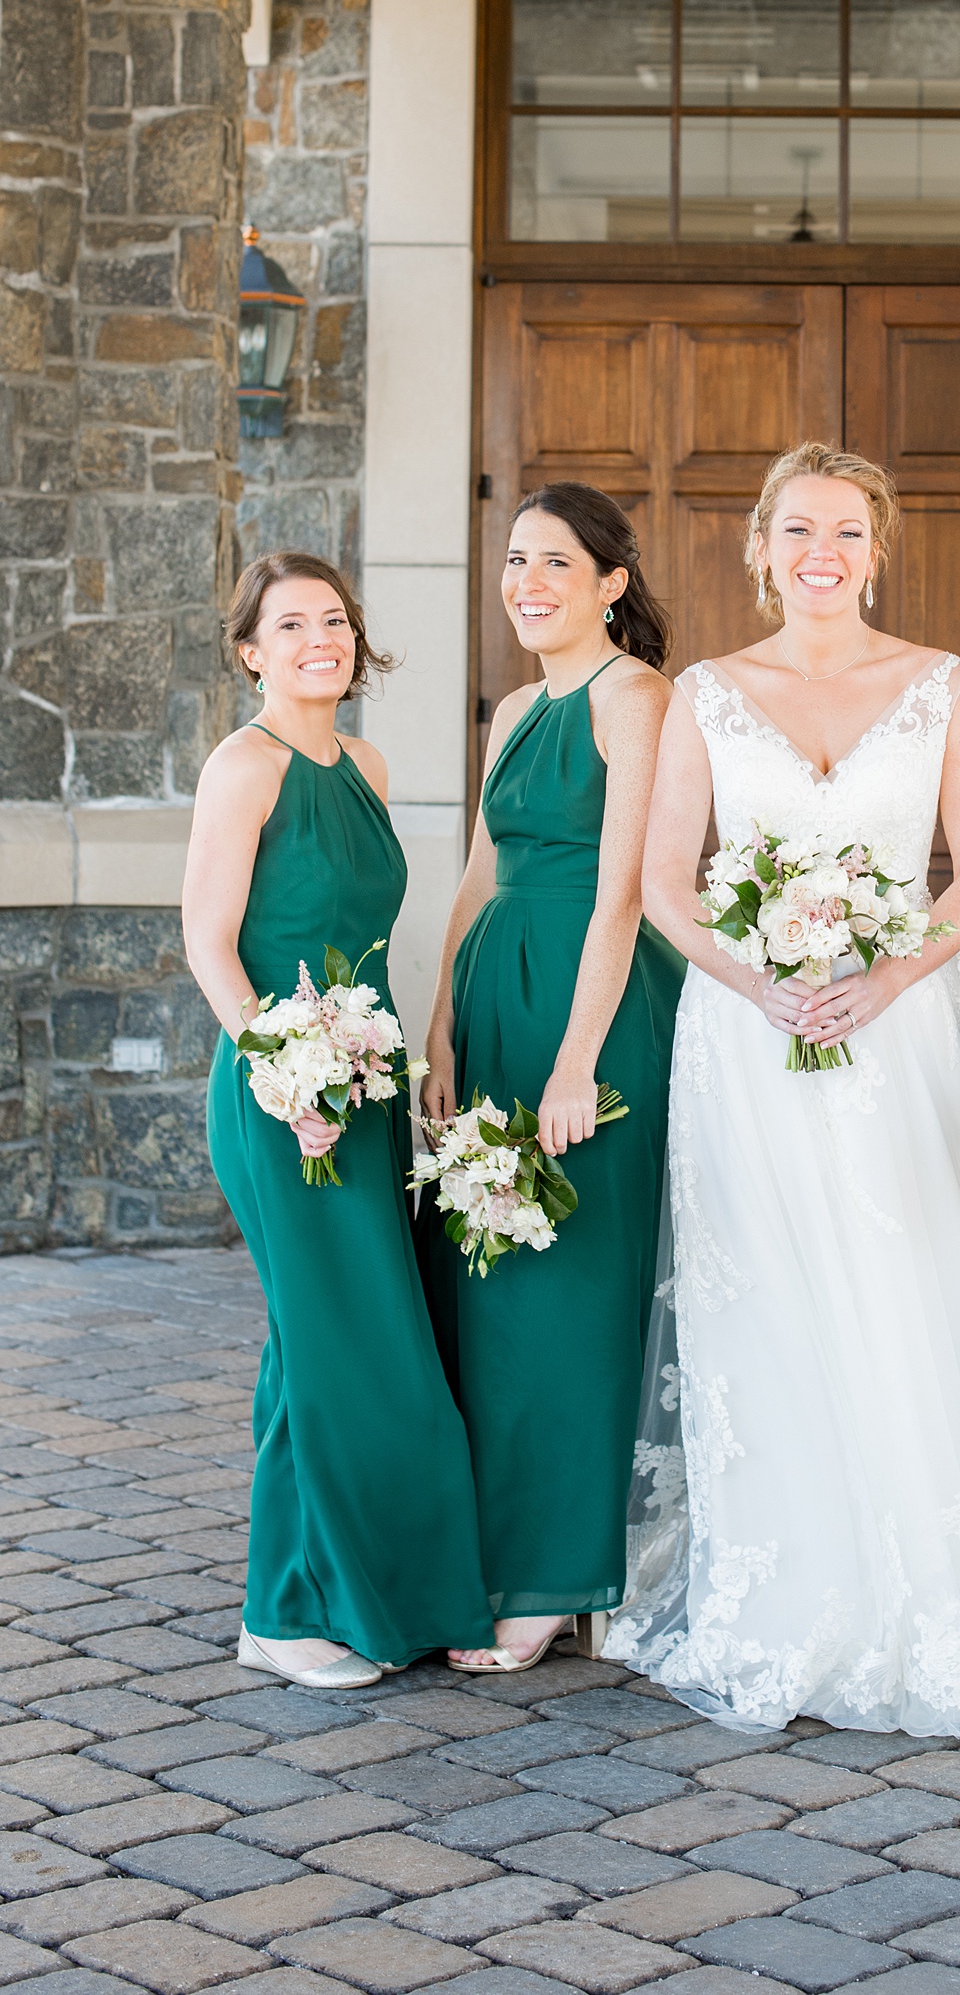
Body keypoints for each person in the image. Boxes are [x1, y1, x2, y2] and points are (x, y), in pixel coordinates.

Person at [606, 440, 960, 1737]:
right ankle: (784, 1598)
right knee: (761, 1295)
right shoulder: (705, 693)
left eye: (849, 533)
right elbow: (665, 886)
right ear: (760, 547)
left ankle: (922, 1598)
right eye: (800, 529)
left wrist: (893, 974)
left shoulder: (940, 684)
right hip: (746, 1036)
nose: (824, 553)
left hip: (900, 1027)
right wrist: (760, 984)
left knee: (905, 1290)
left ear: (878, 550)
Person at [182, 553, 493, 1686]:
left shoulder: (362, 760)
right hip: (280, 1099)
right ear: (252, 649)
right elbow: (209, 944)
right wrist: (284, 1071)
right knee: (330, 1345)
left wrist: (377, 1069)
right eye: (292, 623)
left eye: (336, 620)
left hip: (362, 1092)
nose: (323, 637)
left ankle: (355, 1592)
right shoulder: (243, 766)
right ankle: (284, 1608)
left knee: (352, 1342)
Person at [420, 485, 682, 1675]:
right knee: (495, 1277)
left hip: (594, 1001)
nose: (529, 582)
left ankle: (565, 1573)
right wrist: (437, 1024)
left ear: (611, 582)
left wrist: (579, 1057)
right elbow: (478, 872)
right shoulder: (516, 706)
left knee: (575, 1277)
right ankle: (511, 1544)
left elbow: (624, 885)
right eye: (516, 560)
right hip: (496, 996)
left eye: (556, 563)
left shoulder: (635, 695)